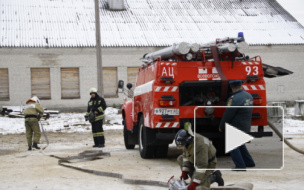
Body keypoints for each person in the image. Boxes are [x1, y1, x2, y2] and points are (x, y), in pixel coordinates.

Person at [219, 80, 255, 169]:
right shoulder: (248, 96)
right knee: (240, 144)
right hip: (246, 125)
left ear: (232, 88)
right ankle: (249, 162)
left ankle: (240, 166)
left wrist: (222, 126)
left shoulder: (233, 99)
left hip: (236, 125)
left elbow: (228, 114)